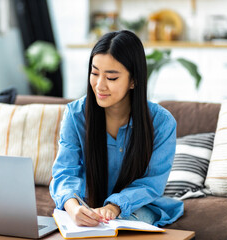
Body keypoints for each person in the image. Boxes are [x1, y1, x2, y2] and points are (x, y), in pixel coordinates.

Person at [49, 30, 183, 227]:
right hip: (87, 205)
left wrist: (114, 207)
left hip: (136, 207)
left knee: (116, 227)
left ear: (133, 80)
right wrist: (72, 207)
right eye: (94, 73)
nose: (99, 85)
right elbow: (65, 172)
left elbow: (151, 183)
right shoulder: (75, 114)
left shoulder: (162, 123)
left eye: (111, 78)